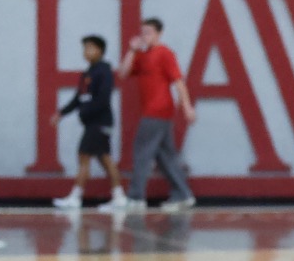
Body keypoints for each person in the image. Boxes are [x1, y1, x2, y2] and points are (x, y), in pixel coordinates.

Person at [119, 18, 196, 212]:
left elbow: (178, 82)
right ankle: (183, 194)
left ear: (159, 34)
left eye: (149, 32)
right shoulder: (142, 56)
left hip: (157, 110)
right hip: (154, 112)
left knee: (142, 152)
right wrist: (131, 50)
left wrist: (186, 106)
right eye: (143, 32)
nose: (145, 36)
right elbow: (123, 73)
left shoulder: (165, 54)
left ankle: (136, 198)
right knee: (165, 155)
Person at [53, 35, 127, 210]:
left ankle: (76, 197)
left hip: (100, 123)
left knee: (84, 156)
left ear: (100, 50)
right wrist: (62, 113)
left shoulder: (104, 71)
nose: (86, 52)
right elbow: (79, 98)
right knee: (105, 159)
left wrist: (86, 111)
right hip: (92, 123)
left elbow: (102, 99)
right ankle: (119, 197)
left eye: (90, 48)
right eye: (84, 48)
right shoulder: (87, 73)